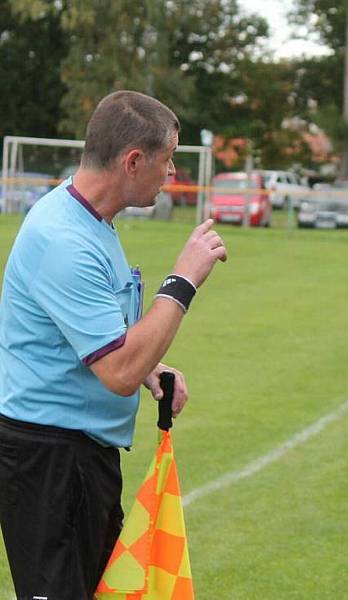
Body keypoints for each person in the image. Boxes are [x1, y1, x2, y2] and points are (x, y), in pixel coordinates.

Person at [0, 90, 227, 599]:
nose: (171, 173)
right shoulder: (64, 239)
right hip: (50, 462)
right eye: (167, 160)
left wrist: (152, 367)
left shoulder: (93, 222)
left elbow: (107, 341)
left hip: (81, 460)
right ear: (132, 161)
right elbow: (117, 371)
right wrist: (182, 281)